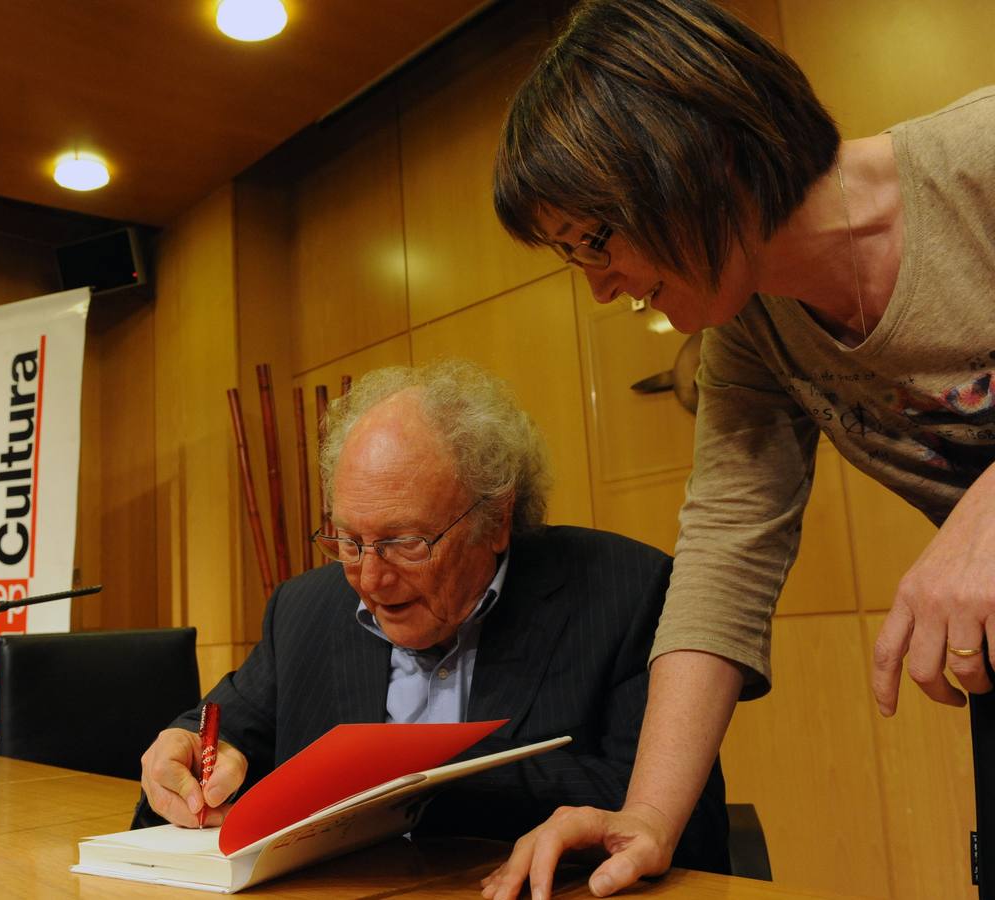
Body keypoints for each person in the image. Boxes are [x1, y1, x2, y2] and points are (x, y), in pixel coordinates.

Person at [483, 0, 995, 897]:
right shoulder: (752, 337)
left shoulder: (978, 165)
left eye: (595, 240)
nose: (601, 287)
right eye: (574, 258)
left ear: (701, 154)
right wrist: (644, 818)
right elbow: (725, 555)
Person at [134, 359, 729, 872]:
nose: (370, 579)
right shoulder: (305, 609)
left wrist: (426, 774)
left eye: (406, 542)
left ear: (495, 521)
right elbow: (222, 721)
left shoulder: (622, 590)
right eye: (347, 540)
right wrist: (182, 746)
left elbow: (681, 820)